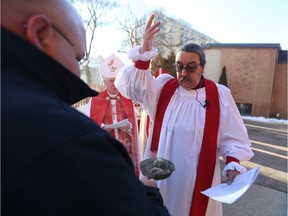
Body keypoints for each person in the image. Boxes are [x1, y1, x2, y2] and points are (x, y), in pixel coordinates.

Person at [1, 1, 171, 215]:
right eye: (78, 58)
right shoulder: (71, 135)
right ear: (41, 34)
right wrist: (149, 189)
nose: (78, 74)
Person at [115, 14, 254, 216]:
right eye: (179, 67)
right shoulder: (164, 88)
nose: (183, 73)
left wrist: (233, 164)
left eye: (190, 67)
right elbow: (135, 88)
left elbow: (233, 136)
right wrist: (144, 53)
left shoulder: (219, 95)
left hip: (198, 179)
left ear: (202, 67)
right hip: (161, 175)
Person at [78, 54, 142, 175]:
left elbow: (133, 123)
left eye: (116, 80)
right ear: (104, 82)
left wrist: (129, 125)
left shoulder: (127, 99)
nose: (114, 84)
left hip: (126, 148)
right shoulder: (95, 99)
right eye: (111, 81)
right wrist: (104, 128)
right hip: (106, 146)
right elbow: (90, 124)